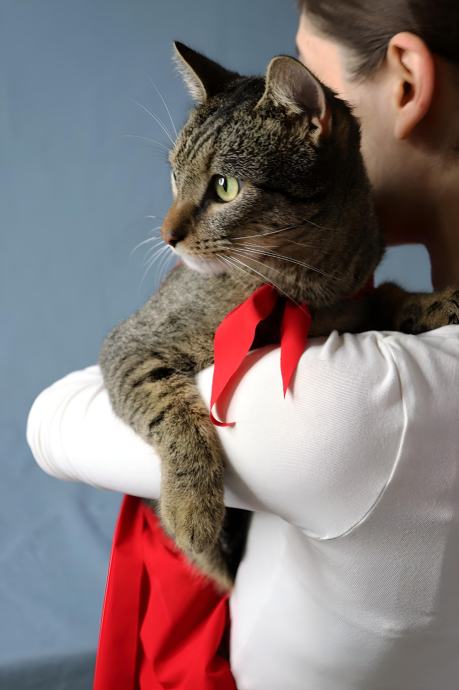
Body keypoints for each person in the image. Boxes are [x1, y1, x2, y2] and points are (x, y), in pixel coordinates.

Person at [26, 1, 459, 688]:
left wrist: (182, 445)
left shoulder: (344, 405)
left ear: (406, 80)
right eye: (180, 182)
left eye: (312, 72)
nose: (169, 230)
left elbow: (50, 421)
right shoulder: (383, 318)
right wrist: (394, 309)